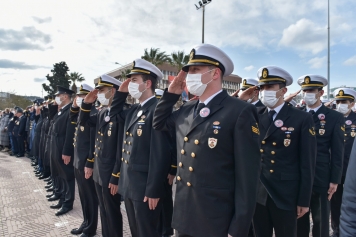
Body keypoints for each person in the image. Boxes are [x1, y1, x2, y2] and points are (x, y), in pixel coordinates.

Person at [153, 43, 261, 237]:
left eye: (196, 70)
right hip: (185, 214)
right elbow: (159, 124)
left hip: (216, 219)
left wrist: (238, 228)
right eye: (188, 71)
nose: (189, 75)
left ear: (215, 73)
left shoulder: (239, 111)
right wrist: (170, 95)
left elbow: (248, 177)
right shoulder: (187, 109)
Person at [240, 66, 317, 237]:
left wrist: (304, 200)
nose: (264, 92)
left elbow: (307, 163)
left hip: (286, 194)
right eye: (262, 88)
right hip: (259, 193)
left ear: (283, 90)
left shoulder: (301, 118)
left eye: (270, 87)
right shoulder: (255, 114)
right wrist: (241, 100)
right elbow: (232, 120)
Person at [115, 59, 172, 237]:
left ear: (147, 83)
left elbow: (159, 154)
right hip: (130, 184)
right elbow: (113, 115)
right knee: (135, 230)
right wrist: (120, 93)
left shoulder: (157, 109)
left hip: (145, 188)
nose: (130, 84)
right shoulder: (133, 110)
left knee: (147, 232)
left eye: (134, 80)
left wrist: (154, 189)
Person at [295, 75, 344, 237]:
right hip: (298, 176)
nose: (307, 93)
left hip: (321, 176)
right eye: (305, 90)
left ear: (321, 92)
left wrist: (335, 180)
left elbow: (338, 151)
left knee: (320, 221)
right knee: (298, 220)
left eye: (311, 90)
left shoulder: (334, 117)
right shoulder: (296, 114)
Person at [79, 75, 123, 237]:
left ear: (113, 91)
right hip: (99, 170)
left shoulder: (121, 113)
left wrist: (115, 175)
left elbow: (120, 147)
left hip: (110, 171)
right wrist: (86, 103)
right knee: (103, 210)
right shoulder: (102, 111)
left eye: (102, 90)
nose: (99, 94)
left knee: (112, 211)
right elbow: (83, 121)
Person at [69, 83, 99, 237]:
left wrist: (90, 162)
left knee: (90, 197)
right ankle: (85, 222)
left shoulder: (93, 114)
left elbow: (94, 141)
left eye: (83, 96)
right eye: (79, 96)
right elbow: (72, 118)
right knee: (83, 196)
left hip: (85, 162)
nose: (80, 99)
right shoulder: (83, 113)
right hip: (78, 161)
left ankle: (91, 228)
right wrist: (74, 106)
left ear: (91, 97)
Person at [330, 88, 356, 237]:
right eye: (338, 101)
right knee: (336, 201)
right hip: (337, 168)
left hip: (351, 168)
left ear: (351, 103)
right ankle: (336, 229)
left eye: (344, 102)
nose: (340, 104)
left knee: (351, 202)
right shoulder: (332, 118)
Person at [47, 86, 76, 216]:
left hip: (63, 146)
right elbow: (51, 119)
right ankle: (62, 198)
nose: (56, 98)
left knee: (67, 176)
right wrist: (54, 106)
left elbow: (70, 133)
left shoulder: (70, 110)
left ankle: (68, 203)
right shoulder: (61, 110)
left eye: (58, 96)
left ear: (65, 96)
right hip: (56, 145)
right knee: (59, 173)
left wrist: (67, 151)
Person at [155, 88, 177, 237]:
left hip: (167, 167)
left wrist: (173, 170)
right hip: (157, 166)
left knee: (166, 200)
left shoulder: (170, 119)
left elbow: (175, 145)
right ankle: (160, 227)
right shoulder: (156, 118)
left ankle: (167, 229)